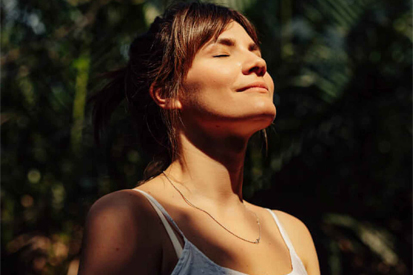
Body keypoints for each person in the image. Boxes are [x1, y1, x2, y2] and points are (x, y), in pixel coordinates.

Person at [78, 2, 320, 275]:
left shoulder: (293, 236)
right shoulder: (131, 217)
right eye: (222, 54)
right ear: (168, 93)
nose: (259, 63)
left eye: (255, 50)